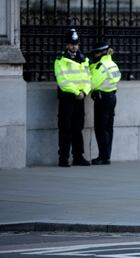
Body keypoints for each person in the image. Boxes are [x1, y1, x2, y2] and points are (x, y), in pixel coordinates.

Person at [54, 29, 91, 167]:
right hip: (67, 98)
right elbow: (63, 81)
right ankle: (63, 158)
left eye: (76, 44)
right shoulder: (60, 60)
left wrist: (84, 92)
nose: (74, 46)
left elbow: (88, 78)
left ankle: (78, 156)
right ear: (66, 45)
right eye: (71, 44)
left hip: (80, 97)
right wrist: (77, 92)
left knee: (78, 128)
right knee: (65, 128)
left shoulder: (84, 59)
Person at [89, 42, 121, 165]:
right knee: (108, 128)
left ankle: (103, 156)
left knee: (101, 128)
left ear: (102, 53)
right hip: (112, 96)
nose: (94, 55)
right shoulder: (111, 63)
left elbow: (93, 83)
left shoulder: (101, 66)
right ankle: (106, 155)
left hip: (102, 98)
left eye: (96, 53)